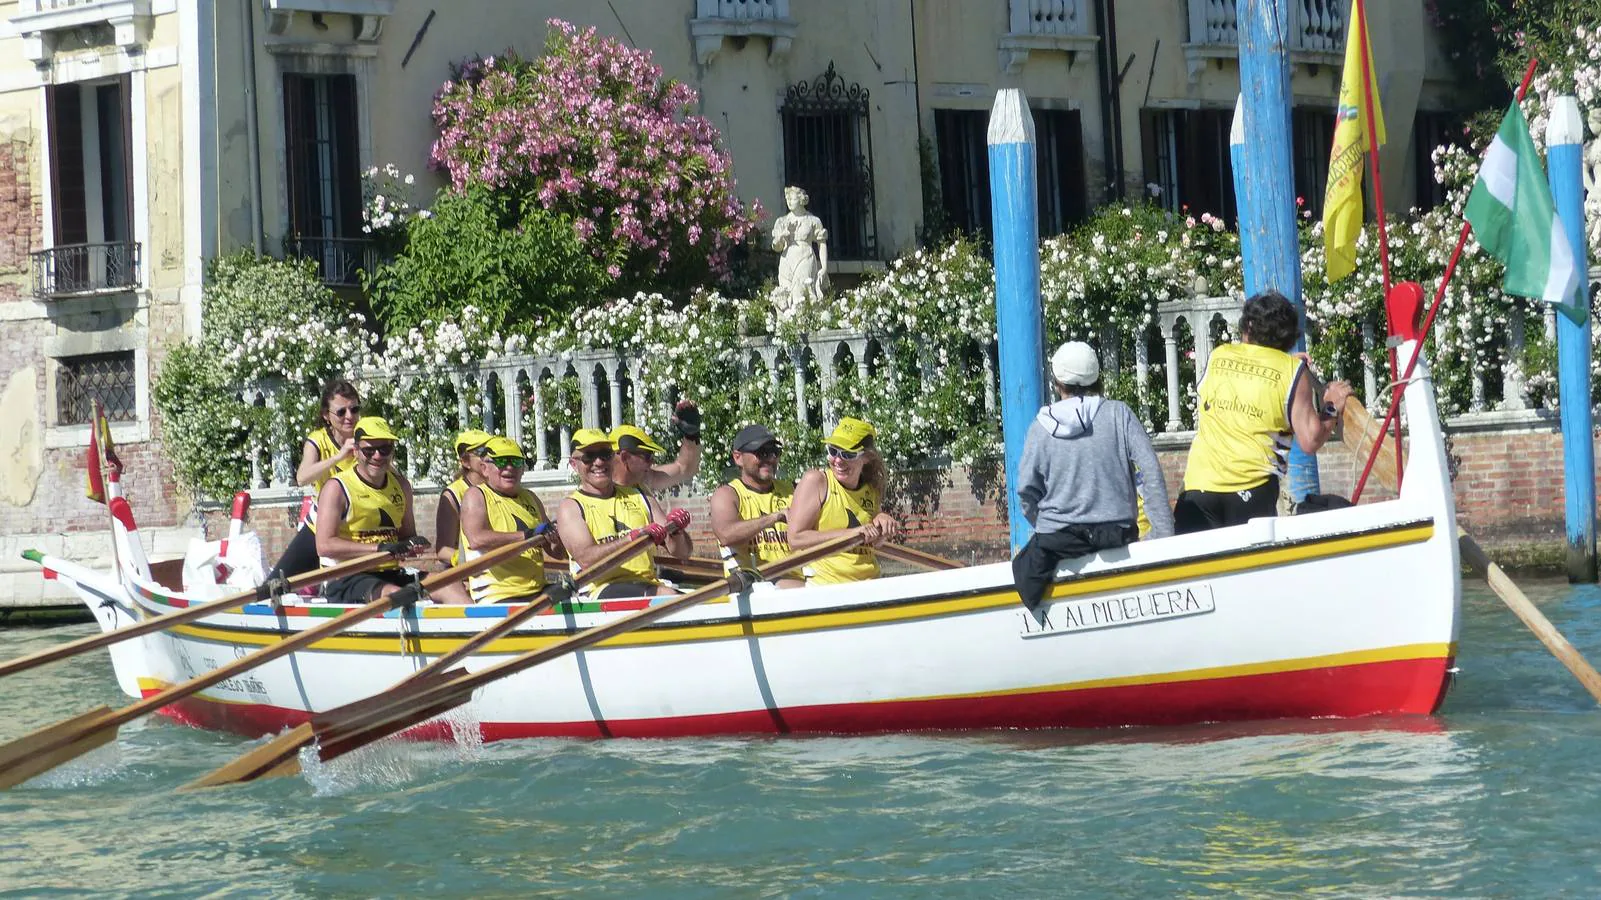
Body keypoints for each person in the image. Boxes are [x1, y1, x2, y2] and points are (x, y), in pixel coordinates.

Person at [1174, 290, 1355, 533]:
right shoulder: (1291, 371)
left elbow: (1249, 372)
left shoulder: (1219, 356)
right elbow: (1311, 438)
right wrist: (1331, 406)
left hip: (1199, 489)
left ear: (1247, 327)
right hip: (1251, 491)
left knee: (1195, 570)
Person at [1011, 341, 1174, 611]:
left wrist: (1046, 524)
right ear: (1097, 377)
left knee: (1022, 567)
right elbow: (1150, 473)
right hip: (1117, 533)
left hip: (1059, 540)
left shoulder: (1039, 428)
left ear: (1057, 382)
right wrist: (1163, 536)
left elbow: (1027, 493)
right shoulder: (1119, 414)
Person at [316, 416, 466, 605]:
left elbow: (407, 535)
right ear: (355, 451)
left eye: (384, 449)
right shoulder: (336, 488)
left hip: (391, 572)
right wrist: (378, 549)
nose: (377, 456)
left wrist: (412, 545)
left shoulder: (402, 486)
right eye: (369, 451)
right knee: (398, 595)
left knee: (450, 583)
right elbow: (324, 546)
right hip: (348, 576)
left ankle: (480, 630)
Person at [555, 428, 693, 599]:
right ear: (574, 464)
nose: (598, 462)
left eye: (605, 454)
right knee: (668, 595)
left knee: (696, 599)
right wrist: (631, 539)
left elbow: (682, 552)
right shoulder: (571, 507)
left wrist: (677, 532)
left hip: (646, 585)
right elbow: (587, 559)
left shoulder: (640, 493)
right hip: (596, 590)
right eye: (589, 456)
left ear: (613, 458)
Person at [786, 417, 900, 585]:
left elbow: (873, 542)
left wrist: (883, 525)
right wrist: (849, 534)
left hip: (869, 582)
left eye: (848, 454)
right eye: (833, 451)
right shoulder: (816, 481)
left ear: (867, 458)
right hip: (826, 585)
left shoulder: (871, 489)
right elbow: (795, 539)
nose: (838, 460)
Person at [268, 379, 363, 580]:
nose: (349, 417)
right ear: (326, 416)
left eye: (354, 410)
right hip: (321, 524)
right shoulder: (318, 440)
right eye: (341, 412)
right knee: (278, 581)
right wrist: (338, 457)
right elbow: (302, 477)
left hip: (358, 525)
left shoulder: (366, 437)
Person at [458, 436, 560, 604]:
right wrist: (527, 535)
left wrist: (557, 536)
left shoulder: (531, 498)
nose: (509, 468)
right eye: (501, 462)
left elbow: (556, 552)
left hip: (538, 589)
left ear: (523, 469)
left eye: (516, 462)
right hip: (497, 594)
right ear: (484, 468)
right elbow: (477, 540)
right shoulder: (476, 495)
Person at [709, 424, 800, 588]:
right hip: (753, 583)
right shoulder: (727, 495)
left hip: (797, 579)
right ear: (738, 457)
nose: (770, 459)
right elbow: (726, 535)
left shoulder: (793, 490)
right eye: (762, 453)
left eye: (774, 452)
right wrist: (775, 517)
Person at [609, 400, 702, 493]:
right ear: (625, 457)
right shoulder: (598, 492)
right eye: (647, 456)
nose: (652, 462)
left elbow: (685, 469)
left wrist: (692, 435)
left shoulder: (643, 480)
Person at [435, 429, 493, 566]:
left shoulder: (499, 487)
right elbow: (442, 550)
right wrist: (464, 559)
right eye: (482, 452)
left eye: (492, 451)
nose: (490, 457)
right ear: (465, 461)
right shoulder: (453, 494)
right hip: (470, 572)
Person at [771, 185, 828, 316]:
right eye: (787, 199)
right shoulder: (782, 221)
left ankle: (802, 327)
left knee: (799, 294)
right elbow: (777, 247)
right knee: (785, 296)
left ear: (801, 199)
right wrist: (780, 238)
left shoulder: (813, 221)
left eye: (792, 198)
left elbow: (821, 243)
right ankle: (788, 328)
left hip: (805, 257)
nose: (789, 201)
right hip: (786, 261)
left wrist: (824, 267)